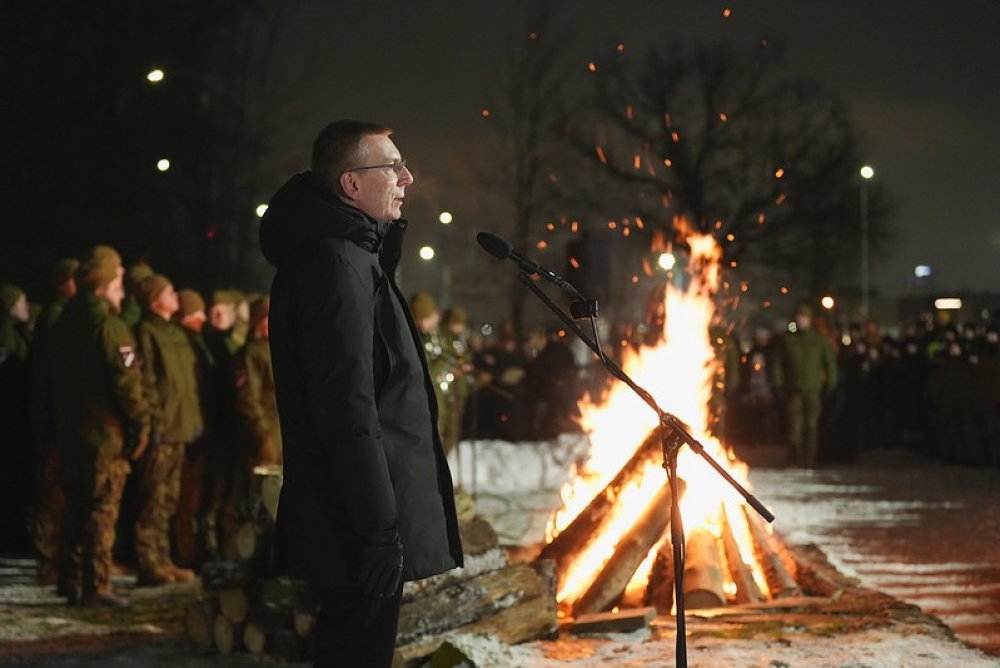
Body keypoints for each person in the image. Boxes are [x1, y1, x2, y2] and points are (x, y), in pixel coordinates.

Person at [259, 119, 463, 667]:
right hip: (357, 518)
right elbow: (346, 408)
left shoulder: (355, 257)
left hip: (363, 511)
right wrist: (379, 530)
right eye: (392, 166)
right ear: (351, 184)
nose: (408, 177)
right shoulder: (334, 265)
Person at [46, 245, 150, 607]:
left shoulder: (63, 323)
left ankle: (69, 581)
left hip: (72, 436)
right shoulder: (109, 326)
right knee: (101, 512)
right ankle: (97, 586)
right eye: (118, 277)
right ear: (103, 284)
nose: (122, 285)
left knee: (75, 510)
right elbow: (129, 387)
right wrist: (141, 429)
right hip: (106, 438)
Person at [132, 274, 202, 585]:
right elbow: (146, 383)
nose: (175, 294)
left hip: (181, 428)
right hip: (164, 430)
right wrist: (154, 423)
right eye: (168, 291)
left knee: (169, 500)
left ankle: (164, 560)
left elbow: (187, 385)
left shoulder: (175, 333)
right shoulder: (146, 333)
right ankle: (150, 564)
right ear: (154, 299)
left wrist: (194, 421)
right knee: (154, 500)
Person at [771, 303, 838, 467]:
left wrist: (830, 384)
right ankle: (795, 459)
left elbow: (829, 363)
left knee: (811, 427)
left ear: (810, 320)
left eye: (804, 318)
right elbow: (777, 364)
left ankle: (809, 460)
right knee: (794, 429)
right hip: (793, 390)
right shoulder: (788, 340)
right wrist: (778, 385)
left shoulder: (819, 340)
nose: (801, 321)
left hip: (813, 390)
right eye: (799, 317)